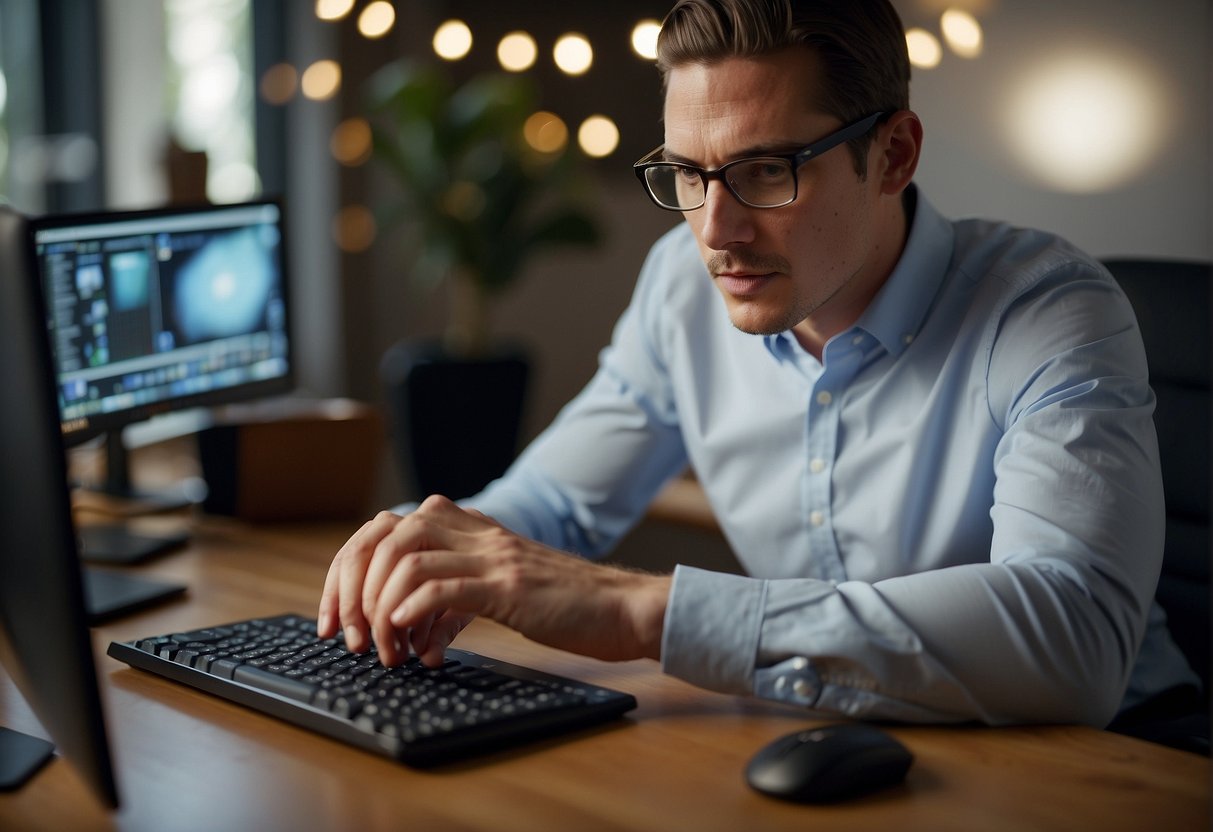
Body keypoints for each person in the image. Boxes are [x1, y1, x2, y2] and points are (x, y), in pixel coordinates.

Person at [319, 0, 1200, 729]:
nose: (716, 231)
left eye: (766, 171)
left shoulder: (1048, 310)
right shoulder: (681, 283)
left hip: (1110, 753)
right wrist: (430, 549)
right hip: (829, 733)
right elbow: (555, 503)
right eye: (687, 173)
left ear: (892, 155)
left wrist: (641, 611)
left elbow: (1076, 640)